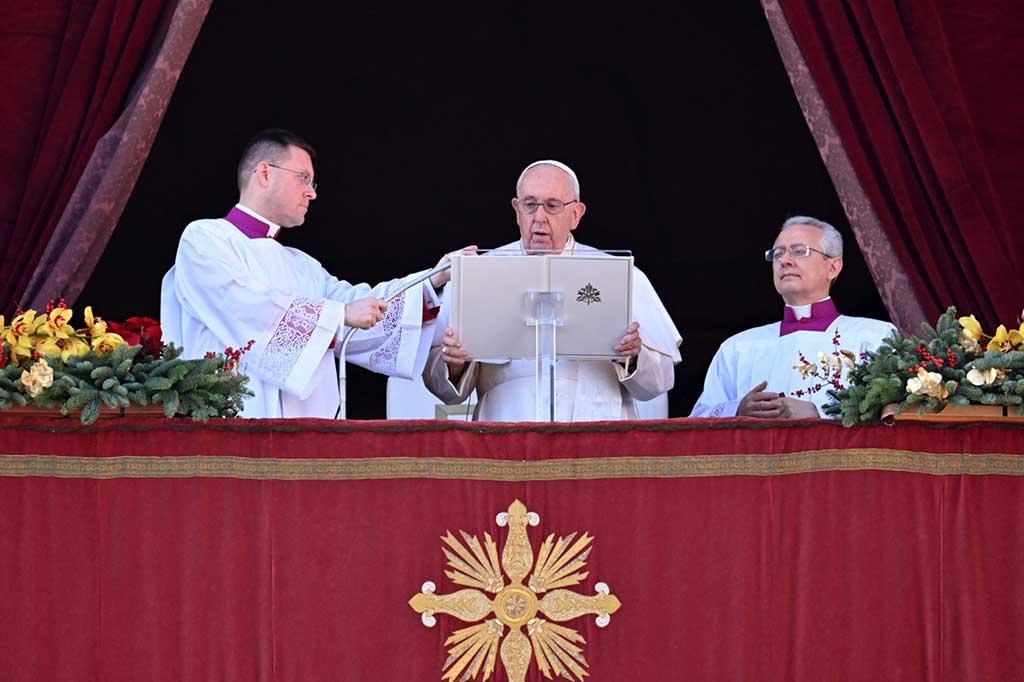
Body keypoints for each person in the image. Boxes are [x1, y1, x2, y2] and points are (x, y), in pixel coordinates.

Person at [160, 129, 460, 418]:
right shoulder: (205, 238)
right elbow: (244, 307)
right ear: (264, 173)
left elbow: (359, 307)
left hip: (302, 432)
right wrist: (338, 314)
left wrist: (432, 280)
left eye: (313, 184)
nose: (311, 193)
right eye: (303, 178)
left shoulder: (301, 264)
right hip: (229, 420)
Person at [422, 160, 682, 421]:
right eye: (530, 205)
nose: (539, 217)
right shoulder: (478, 274)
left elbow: (659, 383)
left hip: (598, 434)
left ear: (576, 214)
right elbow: (442, 387)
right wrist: (455, 365)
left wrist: (634, 356)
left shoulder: (620, 275)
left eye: (552, 205)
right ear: (516, 210)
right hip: (507, 433)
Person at [690, 216, 894, 419]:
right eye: (777, 254)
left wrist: (819, 413)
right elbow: (696, 424)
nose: (784, 261)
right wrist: (737, 411)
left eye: (799, 251)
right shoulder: (737, 348)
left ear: (832, 267)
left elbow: (896, 415)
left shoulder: (874, 337)